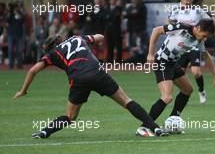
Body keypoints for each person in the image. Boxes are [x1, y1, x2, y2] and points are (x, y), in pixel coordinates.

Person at [12, 34, 168, 138]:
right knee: (127, 101)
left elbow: (33, 70)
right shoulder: (77, 38)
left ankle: (44, 132)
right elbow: (100, 36)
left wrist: (23, 90)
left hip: (78, 79)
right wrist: (95, 44)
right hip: (97, 72)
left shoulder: (52, 53)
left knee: (70, 117)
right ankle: (156, 128)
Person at [138, 19, 215, 132]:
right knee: (167, 97)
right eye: (204, 35)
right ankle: (144, 127)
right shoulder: (181, 27)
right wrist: (150, 54)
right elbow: (156, 30)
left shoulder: (198, 40)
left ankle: (172, 120)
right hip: (162, 62)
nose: (204, 39)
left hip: (173, 64)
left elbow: (207, 57)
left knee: (187, 90)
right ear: (198, 28)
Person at [168, 0, 214, 104]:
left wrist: (203, 32)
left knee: (196, 72)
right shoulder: (176, 10)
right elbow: (169, 21)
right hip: (180, 46)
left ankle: (202, 91)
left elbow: (211, 20)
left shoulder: (198, 10)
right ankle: (185, 93)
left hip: (194, 44)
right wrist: (172, 31)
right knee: (179, 74)